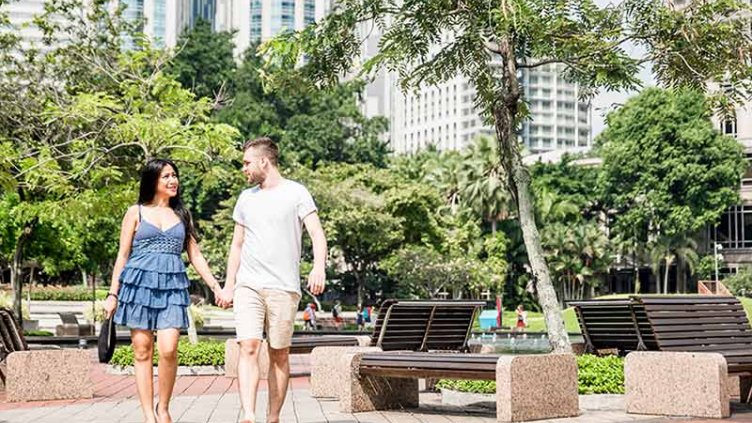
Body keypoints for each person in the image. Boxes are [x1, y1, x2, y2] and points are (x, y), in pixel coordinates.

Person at [103, 159, 231, 423]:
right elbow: (122, 255)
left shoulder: (182, 214)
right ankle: (150, 415)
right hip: (138, 286)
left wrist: (216, 287)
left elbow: (195, 256)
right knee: (141, 350)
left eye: (175, 176)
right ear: (153, 181)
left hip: (172, 287)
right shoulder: (135, 212)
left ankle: (164, 407)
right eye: (166, 176)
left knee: (169, 349)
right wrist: (112, 294)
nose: (173, 181)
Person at [224, 137, 327, 423]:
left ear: (263, 161)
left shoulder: (297, 193)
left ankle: (273, 417)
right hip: (249, 285)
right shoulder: (246, 198)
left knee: (279, 354)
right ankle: (248, 414)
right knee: (248, 346)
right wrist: (229, 284)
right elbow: (237, 245)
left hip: (284, 287)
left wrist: (319, 268)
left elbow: (317, 234)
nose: (243, 169)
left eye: (246, 163)